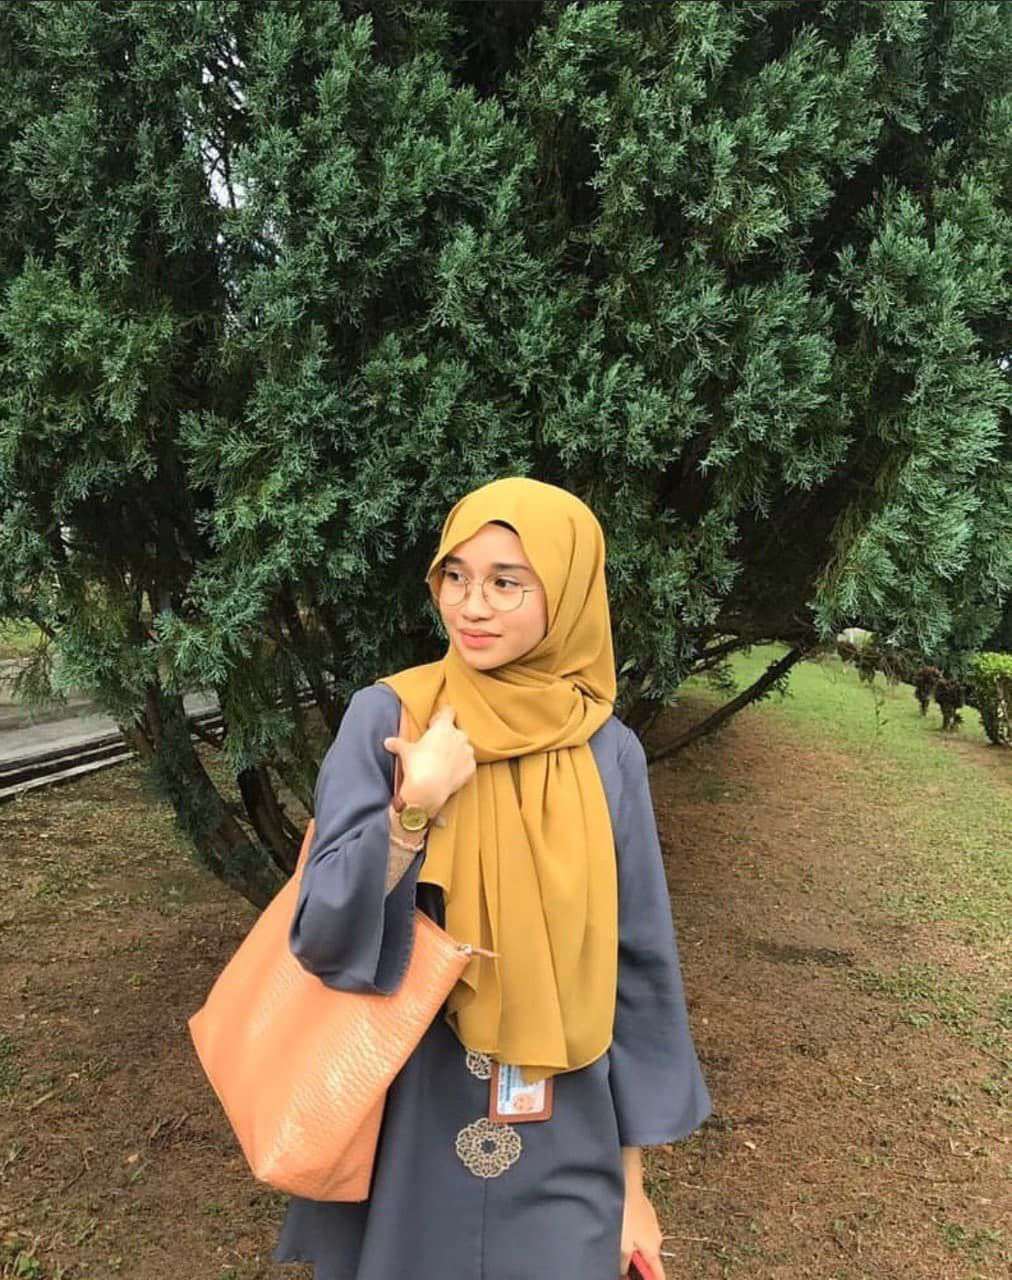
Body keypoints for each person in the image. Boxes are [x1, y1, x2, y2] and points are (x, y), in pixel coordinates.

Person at [272, 476, 711, 1280]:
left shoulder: (606, 751)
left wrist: (633, 1185)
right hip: (404, 1107)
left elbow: (636, 963)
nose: (471, 606)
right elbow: (322, 928)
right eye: (456, 576)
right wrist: (414, 806)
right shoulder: (390, 718)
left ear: (566, 594)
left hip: (564, 1116)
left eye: (507, 582)